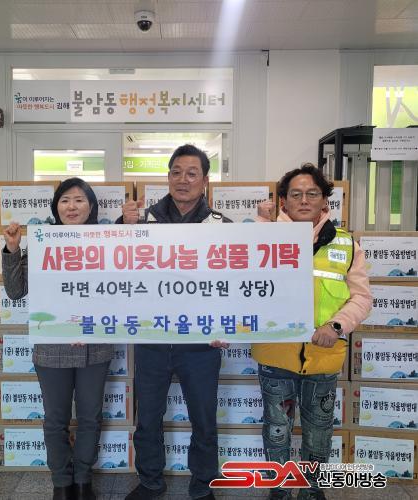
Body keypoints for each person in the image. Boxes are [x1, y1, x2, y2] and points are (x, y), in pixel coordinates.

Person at [118, 144, 231, 500]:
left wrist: (226, 325)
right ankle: (151, 482)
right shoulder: (142, 221)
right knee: (147, 418)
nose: (183, 180)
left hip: (201, 343)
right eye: (176, 172)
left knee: (204, 419)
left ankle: (203, 484)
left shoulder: (221, 226)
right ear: (167, 177)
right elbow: (114, 269)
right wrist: (123, 227)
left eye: (192, 173)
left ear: (205, 181)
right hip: (152, 339)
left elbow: (233, 284)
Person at [253, 164, 372, 500]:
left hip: (324, 355)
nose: (303, 200)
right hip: (275, 354)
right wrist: (262, 226)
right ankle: (279, 489)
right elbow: (241, 286)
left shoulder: (347, 245)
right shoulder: (262, 238)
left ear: (324, 200)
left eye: (312, 193)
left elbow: (362, 297)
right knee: (276, 428)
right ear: (283, 201)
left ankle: (311, 489)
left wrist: (337, 325)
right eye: (295, 194)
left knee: (319, 430)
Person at [2, 177, 113, 500]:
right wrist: (13, 249)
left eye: (79, 200)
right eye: (65, 200)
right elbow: (15, 291)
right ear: (56, 207)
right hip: (52, 345)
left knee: (90, 417)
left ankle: (83, 480)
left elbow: (119, 292)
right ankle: (62, 483)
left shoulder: (108, 242)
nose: (72, 206)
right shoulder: (42, 242)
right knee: (55, 420)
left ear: (91, 206)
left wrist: (87, 324)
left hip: (95, 345)